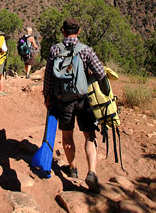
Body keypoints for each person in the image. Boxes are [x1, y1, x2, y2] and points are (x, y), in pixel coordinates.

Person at [43, 18, 109, 193]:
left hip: (63, 100)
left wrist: (47, 96)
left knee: (67, 135)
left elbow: (49, 76)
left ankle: (72, 168)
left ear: (63, 31)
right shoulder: (86, 50)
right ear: (78, 32)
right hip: (83, 99)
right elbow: (101, 73)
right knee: (89, 136)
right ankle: (92, 172)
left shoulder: (55, 49)